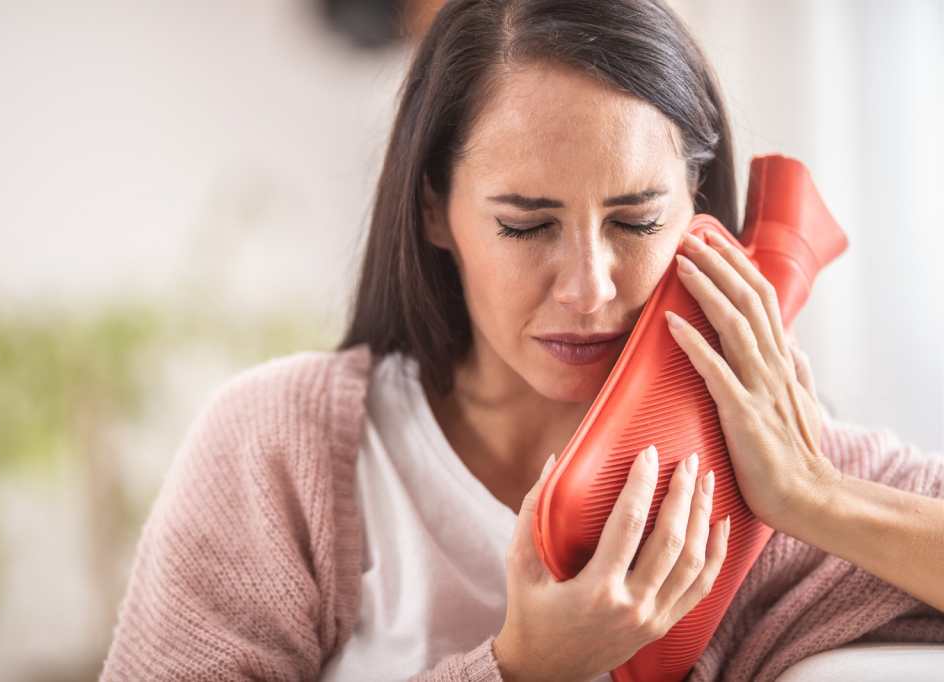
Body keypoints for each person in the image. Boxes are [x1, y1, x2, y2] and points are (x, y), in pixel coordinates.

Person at [100, 1, 944, 680]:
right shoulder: (281, 448)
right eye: (526, 225)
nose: (588, 286)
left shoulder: (763, 462)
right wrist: (524, 670)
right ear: (435, 208)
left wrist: (816, 499)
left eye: (637, 220)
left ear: (698, 212)